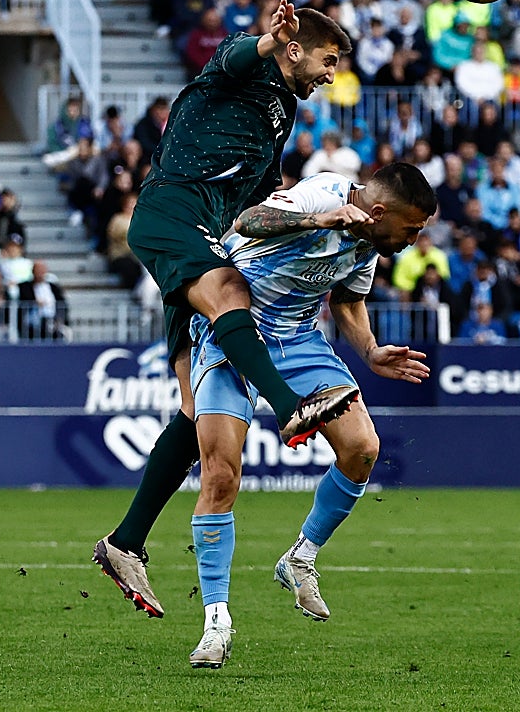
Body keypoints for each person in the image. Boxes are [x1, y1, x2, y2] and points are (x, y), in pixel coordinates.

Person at [93, 0, 358, 619]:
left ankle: (124, 543)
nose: (330, 75)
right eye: (327, 61)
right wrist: (268, 38)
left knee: (193, 411)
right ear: (294, 48)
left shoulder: (282, 112)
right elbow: (237, 55)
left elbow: (256, 192)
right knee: (232, 295)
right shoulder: (244, 63)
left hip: (206, 232)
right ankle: (290, 406)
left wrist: (294, 210)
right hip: (171, 213)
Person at [187, 163, 437, 668]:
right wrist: (320, 219)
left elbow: (347, 301)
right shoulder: (323, 193)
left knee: (362, 448)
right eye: (411, 229)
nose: (413, 241)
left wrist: (369, 350)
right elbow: (249, 221)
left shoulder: (369, 242)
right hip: (231, 329)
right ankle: (216, 623)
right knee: (220, 475)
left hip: (297, 340)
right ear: (380, 211)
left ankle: (300, 558)